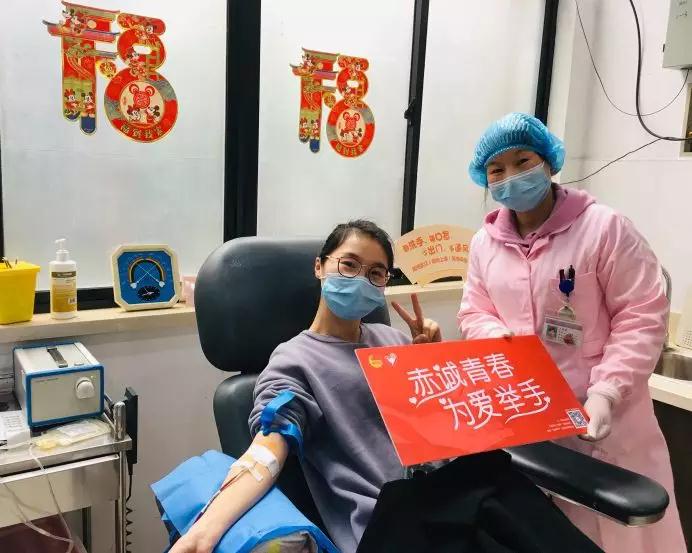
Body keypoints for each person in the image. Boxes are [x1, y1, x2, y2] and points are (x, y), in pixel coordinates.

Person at [458, 112, 686, 552]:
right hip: (528, 414)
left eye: (523, 161)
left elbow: (641, 314)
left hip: (608, 423)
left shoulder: (603, 228)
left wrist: (607, 393)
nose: (511, 177)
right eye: (496, 170)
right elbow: (474, 310)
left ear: (549, 162)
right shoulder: (484, 243)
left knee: (622, 538)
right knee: (545, 534)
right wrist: (500, 343)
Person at [169, 220, 442, 553]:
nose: (360, 280)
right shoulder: (294, 361)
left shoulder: (395, 341)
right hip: (390, 519)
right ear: (319, 267)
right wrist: (204, 531)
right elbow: (267, 450)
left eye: (375, 273)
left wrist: (433, 366)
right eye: (349, 264)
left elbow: (440, 428)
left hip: (449, 497)